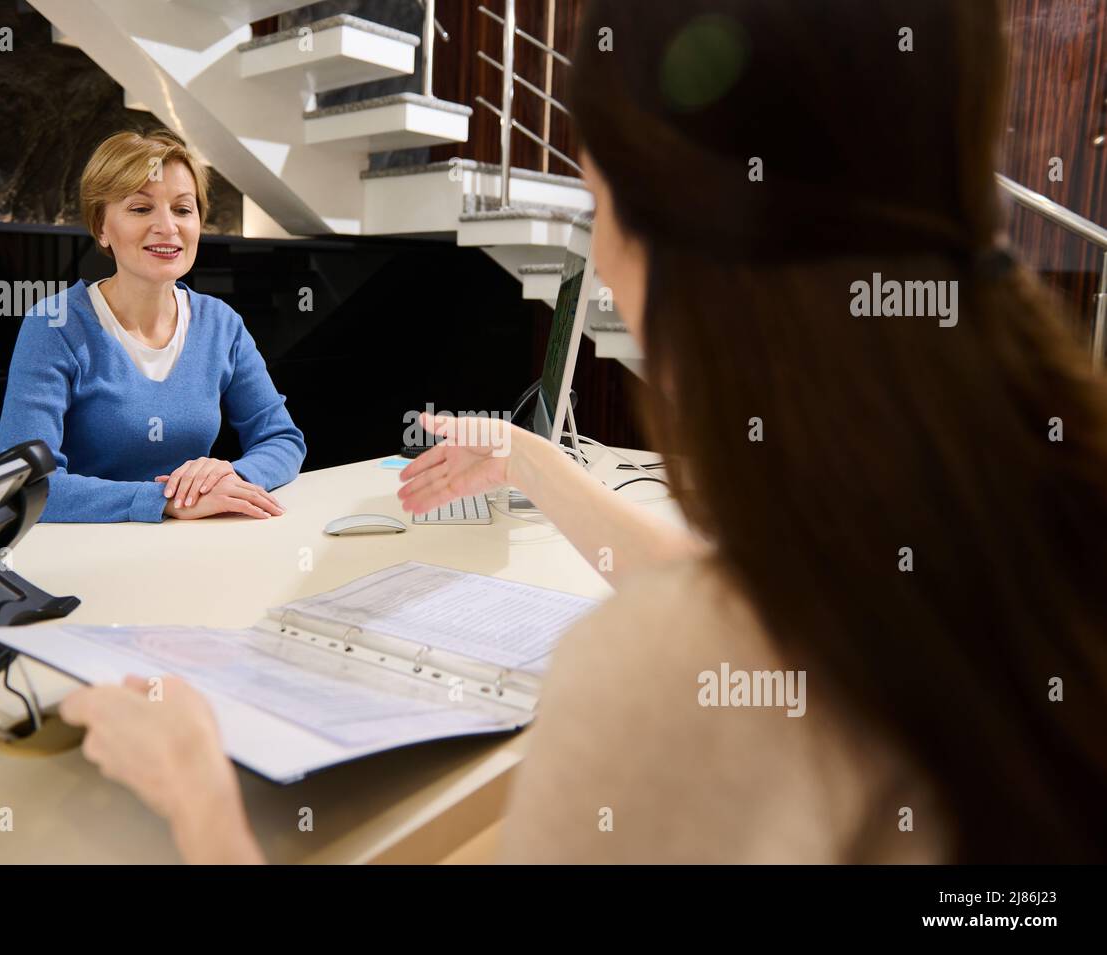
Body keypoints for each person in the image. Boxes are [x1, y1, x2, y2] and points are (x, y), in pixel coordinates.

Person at [59, 1, 1107, 862]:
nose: (595, 260)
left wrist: (200, 801)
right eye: (143, 210)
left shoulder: (658, 670)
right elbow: (727, 594)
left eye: (597, 198)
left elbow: (706, 623)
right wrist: (528, 454)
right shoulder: (1014, 527)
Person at [0, 128, 304, 523]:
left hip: (193, 541)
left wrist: (233, 474)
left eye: (182, 209)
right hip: (85, 552)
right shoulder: (55, 325)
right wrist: (165, 500)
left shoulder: (221, 324)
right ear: (102, 228)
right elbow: (24, 482)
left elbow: (282, 439)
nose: (168, 227)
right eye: (141, 209)